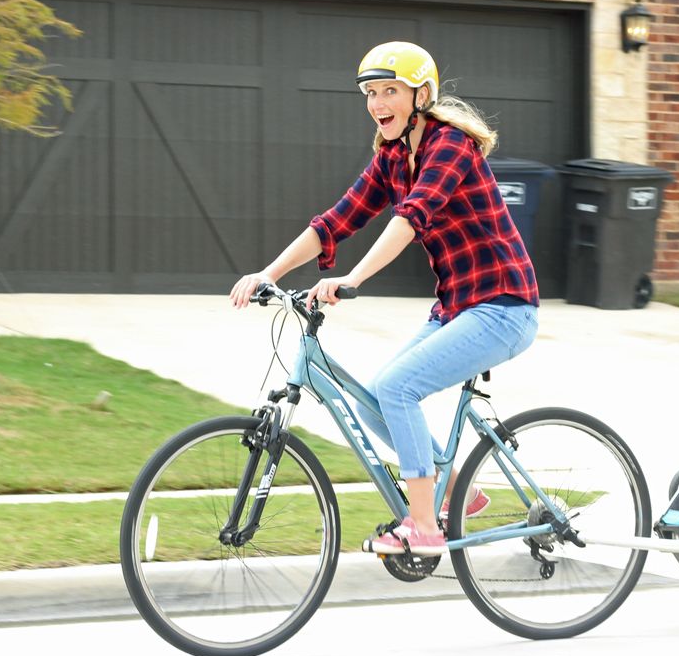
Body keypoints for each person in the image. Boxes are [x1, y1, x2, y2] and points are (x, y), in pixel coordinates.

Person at [229, 41, 539, 557]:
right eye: (371, 93)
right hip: (457, 307)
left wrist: (352, 279)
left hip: (504, 306)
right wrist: (268, 272)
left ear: (421, 94)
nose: (378, 103)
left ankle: (424, 527)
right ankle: (461, 489)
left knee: (397, 388)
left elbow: (410, 217)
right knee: (375, 399)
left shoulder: (451, 146)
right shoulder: (393, 157)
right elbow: (337, 219)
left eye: (389, 91)